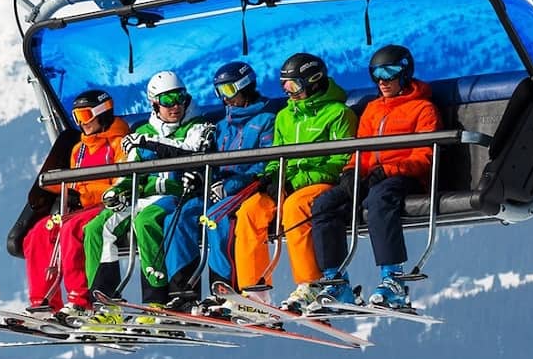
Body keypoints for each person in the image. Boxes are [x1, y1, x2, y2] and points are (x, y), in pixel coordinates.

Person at [310, 44, 440, 310]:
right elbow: (362, 150)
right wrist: (351, 172)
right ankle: (335, 281)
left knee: (378, 202)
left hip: (406, 178)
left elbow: (424, 157)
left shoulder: (422, 109)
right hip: (372, 178)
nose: (382, 81)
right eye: (376, 74)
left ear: (404, 73)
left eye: (389, 73)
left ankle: (393, 279)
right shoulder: (372, 109)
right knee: (325, 204)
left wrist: (389, 170)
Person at [233, 53, 357, 310]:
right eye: (284, 86)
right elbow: (275, 155)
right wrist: (271, 177)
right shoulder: (284, 117)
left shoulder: (338, 113)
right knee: (250, 210)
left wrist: (297, 180)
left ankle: (310, 283)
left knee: (295, 208)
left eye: (294, 85)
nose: (289, 92)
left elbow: (340, 160)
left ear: (313, 81)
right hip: (288, 184)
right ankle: (254, 292)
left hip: (320, 183)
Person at [84, 70, 214, 307]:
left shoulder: (199, 126)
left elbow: (188, 151)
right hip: (142, 196)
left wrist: (150, 149)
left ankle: (155, 298)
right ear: (154, 104)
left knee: (146, 221)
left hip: (175, 195)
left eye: (180, 97)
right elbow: (131, 170)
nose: (175, 105)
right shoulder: (143, 133)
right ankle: (105, 298)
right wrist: (118, 191)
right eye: (167, 100)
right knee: (96, 227)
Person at [162, 61, 276, 312]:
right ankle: (183, 291)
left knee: (215, 217)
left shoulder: (266, 120)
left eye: (228, 90)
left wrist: (232, 185)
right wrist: (202, 179)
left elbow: (266, 163)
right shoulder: (222, 126)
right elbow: (211, 164)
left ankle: (225, 288)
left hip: (248, 189)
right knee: (177, 217)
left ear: (245, 86)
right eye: (219, 92)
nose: (225, 98)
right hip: (217, 190)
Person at [22, 88, 130, 318]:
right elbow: (76, 181)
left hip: (106, 206)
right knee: (39, 232)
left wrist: (89, 191)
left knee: (72, 230)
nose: (82, 123)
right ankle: (44, 302)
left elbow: (121, 182)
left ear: (102, 113)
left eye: (85, 116)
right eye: (77, 118)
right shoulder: (78, 150)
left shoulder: (119, 144)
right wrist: (70, 191)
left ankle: (80, 300)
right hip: (83, 207)